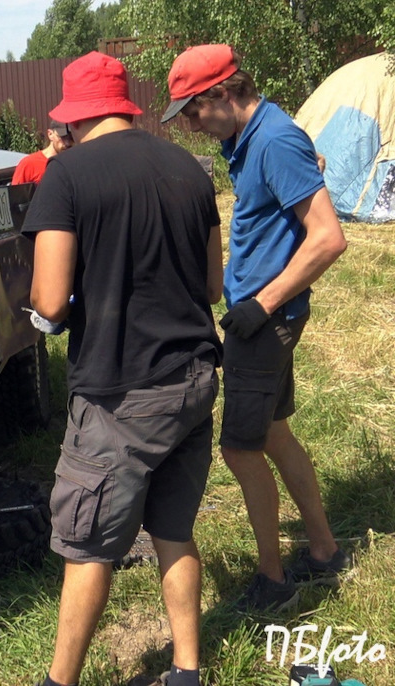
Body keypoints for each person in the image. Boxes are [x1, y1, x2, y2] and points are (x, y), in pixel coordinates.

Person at [24, 51, 223, 686]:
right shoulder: (190, 169)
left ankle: (59, 683)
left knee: (86, 548)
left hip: (121, 393)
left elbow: (51, 301)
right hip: (194, 374)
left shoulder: (67, 176)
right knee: (173, 528)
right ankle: (187, 670)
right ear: (126, 106)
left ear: (75, 117)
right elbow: (213, 284)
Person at [162, 44, 350, 613]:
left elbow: (328, 237)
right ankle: (323, 549)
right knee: (272, 435)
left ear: (222, 92)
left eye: (193, 111)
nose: (191, 125)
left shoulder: (273, 139)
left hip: (264, 324)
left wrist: (260, 305)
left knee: (241, 451)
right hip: (265, 317)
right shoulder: (247, 140)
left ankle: (273, 581)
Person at [11, 120, 72, 184]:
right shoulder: (29, 164)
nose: (67, 142)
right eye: (62, 137)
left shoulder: (76, 163)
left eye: (71, 137)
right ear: (50, 134)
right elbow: (16, 193)